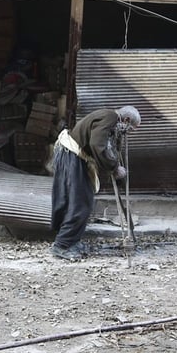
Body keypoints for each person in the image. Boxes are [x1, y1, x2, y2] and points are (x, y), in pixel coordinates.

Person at [49, 105, 141, 260]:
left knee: (79, 201)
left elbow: (103, 145)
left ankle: (71, 241)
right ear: (125, 120)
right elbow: (97, 144)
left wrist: (113, 164)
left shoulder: (109, 118)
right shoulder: (111, 117)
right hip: (72, 156)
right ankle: (62, 245)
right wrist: (114, 167)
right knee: (80, 203)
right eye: (129, 129)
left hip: (72, 156)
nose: (127, 133)